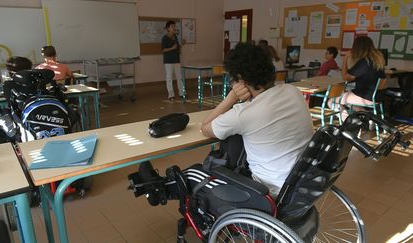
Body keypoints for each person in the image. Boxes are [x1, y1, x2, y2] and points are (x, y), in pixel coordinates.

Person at [201, 43, 314, 197]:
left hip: (270, 189)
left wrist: (232, 97)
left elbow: (205, 128)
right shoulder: (292, 91)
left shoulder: (244, 114)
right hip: (303, 182)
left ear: (240, 79)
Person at [329, 36, 385, 120]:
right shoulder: (377, 61)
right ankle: (370, 117)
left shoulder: (364, 62)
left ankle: (349, 124)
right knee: (348, 100)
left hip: (365, 96)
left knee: (332, 101)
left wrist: (345, 59)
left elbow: (345, 77)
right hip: (377, 96)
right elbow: (355, 74)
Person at [162, 20, 185, 101]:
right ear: (168, 28)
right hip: (168, 61)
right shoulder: (165, 38)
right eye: (172, 26)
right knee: (169, 78)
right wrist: (172, 48)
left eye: (174, 26)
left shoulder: (175, 37)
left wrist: (182, 44)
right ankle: (171, 95)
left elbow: (177, 48)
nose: (174, 28)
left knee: (179, 77)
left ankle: (182, 93)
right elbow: (163, 50)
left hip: (176, 60)